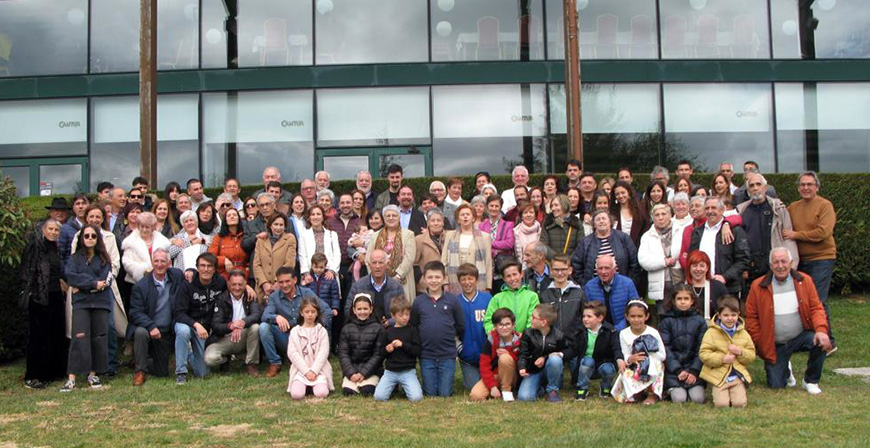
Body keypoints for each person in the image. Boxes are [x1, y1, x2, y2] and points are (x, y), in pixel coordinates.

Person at [744, 247, 831, 394]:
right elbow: (751, 318)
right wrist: (760, 342)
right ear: (770, 266)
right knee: (776, 385)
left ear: (791, 263)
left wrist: (821, 330)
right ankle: (786, 368)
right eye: (776, 262)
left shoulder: (805, 281)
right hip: (774, 344)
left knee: (820, 342)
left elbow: (816, 308)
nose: (780, 266)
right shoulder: (758, 286)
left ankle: (810, 381)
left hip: (799, 337)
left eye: (783, 261)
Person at [68, 205, 126, 377]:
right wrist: (91, 283)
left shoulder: (110, 237)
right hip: (83, 291)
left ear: (103, 218)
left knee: (107, 327)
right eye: (91, 216)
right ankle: (86, 369)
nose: (94, 219)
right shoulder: (79, 236)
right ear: (86, 218)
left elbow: (114, 263)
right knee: (83, 331)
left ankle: (109, 365)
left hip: (105, 289)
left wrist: (105, 282)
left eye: (98, 216)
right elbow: (75, 265)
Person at [783, 171, 838, 350]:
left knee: (818, 300)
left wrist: (796, 235)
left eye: (810, 184)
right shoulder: (793, 207)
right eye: (802, 185)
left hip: (822, 258)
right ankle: (809, 339)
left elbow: (823, 232)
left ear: (817, 187)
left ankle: (828, 341)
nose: (806, 188)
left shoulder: (825, 205)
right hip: (801, 260)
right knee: (802, 300)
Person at [60, 225, 114, 392]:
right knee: (79, 337)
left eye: (93, 236)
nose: (90, 238)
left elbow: (106, 281)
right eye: (86, 236)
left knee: (98, 338)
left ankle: (93, 375)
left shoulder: (104, 258)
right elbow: (71, 277)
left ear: (98, 239)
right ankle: (72, 377)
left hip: (100, 303)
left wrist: (83, 284)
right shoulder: (74, 258)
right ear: (81, 238)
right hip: (82, 303)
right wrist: (91, 284)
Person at [259, 267, 332, 377]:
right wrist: (276, 317)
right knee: (264, 327)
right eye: (281, 282)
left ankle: (308, 359)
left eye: (287, 281)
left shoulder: (306, 293)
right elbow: (265, 316)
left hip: (307, 338)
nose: (284, 285)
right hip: (287, 337)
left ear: (295, 280)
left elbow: (326, 311)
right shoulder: (275, 296)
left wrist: (316, 328)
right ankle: (275, 362)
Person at [21, 219, 68, 389]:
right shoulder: (34, 246)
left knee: (55, 334)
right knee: (38, 337)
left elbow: (58, 270)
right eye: (50, 229)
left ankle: (52, 372)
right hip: (39, 296)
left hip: (55, 294)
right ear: (43, 229)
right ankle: (33, 375)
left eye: (56, 230)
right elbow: (27, 271)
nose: (53, 232)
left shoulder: (56, 248)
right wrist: (31, 291)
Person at [736, 172, 800, 294]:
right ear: (748, 190)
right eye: (752, 185)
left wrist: (792, 265)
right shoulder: (741, 210)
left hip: (773, 263)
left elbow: (788, 237)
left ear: (765, 187)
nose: (755, 188)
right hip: (751, 266)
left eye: (758, 184)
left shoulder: (778, 209)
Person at [127, 249, 183, 386]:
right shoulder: (141, 286)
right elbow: (135, 312)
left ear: (169, 263)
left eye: (163, 261)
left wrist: (191, 272)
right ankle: (140, 371)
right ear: (152, 262)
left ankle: (140, 361)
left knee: (162, 372)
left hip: (165, 333)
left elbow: (189, 278)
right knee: (140, 332)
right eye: (156, 261)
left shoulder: (176, 276)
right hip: (148, 328)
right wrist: (151, 326)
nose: (159, 264)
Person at [412, 261, 465, 397]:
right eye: (430, 277)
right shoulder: (419, 301)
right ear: (424, 278)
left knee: (445, 393)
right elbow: (414, 325)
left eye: (437, 277)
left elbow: (460, 325)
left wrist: (449, 336)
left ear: (444, 278)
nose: (434, 281)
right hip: (427, 355)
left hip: (447, 354)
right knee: (430, 393)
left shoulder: (452, 300)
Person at [172, 253, 225, 383]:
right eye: (202, 266)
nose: (206, 269)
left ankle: (189, 354)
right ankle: (181, 372)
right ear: (197, 268)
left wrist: (246, 287)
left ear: (214, 269)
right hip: (188, 324)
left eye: (209, 266)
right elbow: (179, 313)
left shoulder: (220, 283)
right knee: (183, 331)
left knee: (203, 373)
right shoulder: (187, 285)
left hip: (205, 330)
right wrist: (196, 324)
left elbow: (234, 288)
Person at [699, 295, 755, 408]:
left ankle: (738, 390)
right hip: (719, 377)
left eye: (733, 315)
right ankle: (720, 393)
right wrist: (722, 359)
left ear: (738, 314)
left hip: (737, 376)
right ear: (719, 316)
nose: (730, 318)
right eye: (726, 315)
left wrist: (740, 352)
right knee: (721, 404)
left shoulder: (743, 333)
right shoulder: (711, 333)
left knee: (739, 404)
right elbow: (704, 354)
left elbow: (751, 355)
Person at [204, 269, 262, 377]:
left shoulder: (250, 296)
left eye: (240, 284)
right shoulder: (221, 299)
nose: (237, 287)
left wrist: (242, 323)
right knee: (210, 359)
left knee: (255, 328)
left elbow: (256, 315)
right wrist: (231, 326)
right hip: (225, 337)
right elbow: (216, 325)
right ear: (228, 284)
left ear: (245, 284)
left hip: (244, 335)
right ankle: (225, 360)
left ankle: (251, 364)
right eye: (234, 284)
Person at [689, 197, 750, 297]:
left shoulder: (735, 231)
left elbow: (743, 260)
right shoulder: (697, 232)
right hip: (703, 286)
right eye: (707, 208)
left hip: (728, 287)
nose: (710, 211)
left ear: (722, 210)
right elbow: (691, 258)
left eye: (714, 208)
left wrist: (724, 277)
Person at [658, 284, 706, 404]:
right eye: (679, 299)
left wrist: (694, 371)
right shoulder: (666, 321)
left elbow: (702, 348)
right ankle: (670, 389)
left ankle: (691, 387)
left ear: (692, 301)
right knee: (679, 399)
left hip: (693, 370)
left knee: (698, 399)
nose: (683, 302)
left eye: (686, 299)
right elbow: (665, 348)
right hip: (674, 372)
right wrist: (677, 370)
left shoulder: (700, 321)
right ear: (673, 301)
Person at [611, 300, 666, 404]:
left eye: (640, 316)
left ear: (646, 316)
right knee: (625, 372)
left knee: (652, 366)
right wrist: (630, 359)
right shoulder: (623, 334)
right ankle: (636, 393)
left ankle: (651, 394)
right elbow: (625, 353)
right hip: (634, 365)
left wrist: (648, 356)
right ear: (627, 317)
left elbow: (662, 355)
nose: (636, 320)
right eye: (632, 316)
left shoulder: (653, 332)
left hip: (652, 363)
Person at [517, 303, 574, 402]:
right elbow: (523, 353)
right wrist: (522, 367)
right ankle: (542, 389)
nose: (531, 319)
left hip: (551, 369)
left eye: (534, 317)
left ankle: (552, 390)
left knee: (555, 359)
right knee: (525, 397)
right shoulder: (528, 333)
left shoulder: (559, 336)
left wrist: (545, 358)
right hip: (533, 371)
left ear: (543, 322)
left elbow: (567, 351)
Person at [572, 209, 640, 286]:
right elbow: (576, 266)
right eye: (598, 219)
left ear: (610, 221)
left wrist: (628, 283)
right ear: (594, 224)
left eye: (604, 218)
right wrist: (586, 285)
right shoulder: (585, 242)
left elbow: (634, 263)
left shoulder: (623, 238)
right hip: (594, 289)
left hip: (621, 287)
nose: (601, 221)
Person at [373, 297, 424, 402]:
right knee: (379, 397)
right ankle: (393, 387)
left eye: (407, 314)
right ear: (393, 315)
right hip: (390, 372)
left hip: (408, 371)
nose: (405, 318)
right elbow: (381, 352)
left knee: (416, 398)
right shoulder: (387, 332)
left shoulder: (412, 330)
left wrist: (403, 345)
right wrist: (387, 349)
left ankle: (407, 387)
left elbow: (417, 350)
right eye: (401, 315)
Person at [638, 204, 683, 315]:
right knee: (664, 316)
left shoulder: (680, 230)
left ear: (670, 215)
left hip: (679, 279)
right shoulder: (647, 236)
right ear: (653, 217)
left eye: (664, 214)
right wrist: (663, 262)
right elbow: (643, 260)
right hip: (660, 284)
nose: (660, 217)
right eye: (657, 215)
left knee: (682, 314)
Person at [469, 308, 521, 402]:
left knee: (505, 358)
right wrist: (492, 386)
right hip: (495, 375)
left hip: (513, 377)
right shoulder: (490, 341)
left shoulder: (520, 341)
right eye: (500, 324)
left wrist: (509, 355)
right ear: (495, 326)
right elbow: (484, 366)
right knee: (475, 396)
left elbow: (523, 365)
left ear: (513, 325)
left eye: (507, 324)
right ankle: (496, 391)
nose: (504, 328)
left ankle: (507, 392)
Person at [287, 296, 334, 400]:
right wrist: (306, 371)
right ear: (301, 312)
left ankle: (314, 386)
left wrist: (314, 371)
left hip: (319, 370)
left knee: (321, 393)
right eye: (307, 311)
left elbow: (323, 352)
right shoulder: (295, 332)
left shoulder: (322, 331)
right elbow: (292, 353)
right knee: (297, 395)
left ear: (317, 313)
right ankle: (304, 386)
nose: (310, 315)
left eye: (313, 311)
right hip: (301, 371)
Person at [339, 293, 386, 396]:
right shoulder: (346, 329)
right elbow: (343, 354)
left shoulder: (379, 329)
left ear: (371, 309)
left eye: (365, 308)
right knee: (349, 392)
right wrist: (351, 373)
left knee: (367, 391)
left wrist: (363, 373)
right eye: (359, 309)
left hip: (371, 371)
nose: (362, 312)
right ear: (354, 310)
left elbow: (378, 355)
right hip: (352, 370)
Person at [573, 301, 620, 401]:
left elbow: (616, 348)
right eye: (584, 316)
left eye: (589, 316)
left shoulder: (611, 331)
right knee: (587, 361)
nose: (585, 319)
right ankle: (582, 388)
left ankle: (606, 387)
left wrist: (619, 359)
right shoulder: (579, 331)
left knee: (609, 369)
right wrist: (561, 354)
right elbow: (573, 349)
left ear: (600, 318)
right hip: (586, 363)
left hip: (603, 362)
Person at [367, 205, 417, 300]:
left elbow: (409, 258)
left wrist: (398, 276)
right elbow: (368, 258)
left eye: (394, 215)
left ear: (399, 217)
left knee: (401, 310)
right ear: (383, 218)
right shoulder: (375, 236)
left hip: (402, 280)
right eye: (388, 216)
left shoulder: (408, 234)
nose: (391, 218)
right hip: (379, 281)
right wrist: (375, 277)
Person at [456, 263, 492, 391]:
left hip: (487, 355)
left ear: (476, 279)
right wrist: (460, 348)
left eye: (470, 278)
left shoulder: (487, 299)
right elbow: (452, 329)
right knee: (473, 388)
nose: (467, 282)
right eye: (463, 279)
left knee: (489, 386)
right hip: (467, 357)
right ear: (459, 281)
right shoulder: (456, 302)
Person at [442, 204, 492, 294]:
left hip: (477, 280)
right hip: (455, 280)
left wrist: (488, 286)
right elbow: (444, 260)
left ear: (473, 218)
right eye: (462, 215)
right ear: (458, 219)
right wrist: (445, 282)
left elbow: (488, 263)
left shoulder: (485, 237)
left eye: (468, 214)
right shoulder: (449, 235)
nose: (465, 216)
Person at [345, 249, 404, 324]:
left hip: (390, 330)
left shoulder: (396, 287)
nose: (377, 266)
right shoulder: (358, 286)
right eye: (374, 263)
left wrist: (390, 322)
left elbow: (402, 311)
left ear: (387, 264)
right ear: (369, 265)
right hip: (364, 330)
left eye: (381, 262)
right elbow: (348, 311)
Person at [583, 254, 640, 330]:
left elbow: (635, 309)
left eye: (607, 268)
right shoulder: (589, 286)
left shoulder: (627, 284)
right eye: (600, 268)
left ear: (615, 269)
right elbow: (587, 312)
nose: (603, 271)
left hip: (624, 330)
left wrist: (617, 329)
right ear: (596, 270)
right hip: (598, 331)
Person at [538, 255, 585, 345]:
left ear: (570, 270)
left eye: (563, 269)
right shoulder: (544, 295)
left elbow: (584, 318)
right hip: (552, 344)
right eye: (556, 270)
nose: (560, 273)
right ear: (551, 271)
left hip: (575, 344)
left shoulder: (579, 294)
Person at [243, 193, 296, 269]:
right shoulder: (251, 224)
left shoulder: (286, 221)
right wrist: (256, 237)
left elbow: (293, 244)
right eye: (261, 205)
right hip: (258, 270)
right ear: (258, 208)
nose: (265, 208)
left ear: (274, 205)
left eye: (267, 204)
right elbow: (245, 245)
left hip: (281, 268)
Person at [483, 261, 539, 333]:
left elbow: (532, 320)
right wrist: (499, 337)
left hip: (525, 342)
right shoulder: (497, 299)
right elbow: (488, 322)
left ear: (521, 274)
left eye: (515, 274)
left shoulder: (532, 296)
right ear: (504, 279)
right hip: (502, 342)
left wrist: (523, 338)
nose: (512, 278)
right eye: (508, 276)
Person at [252, 213, 297, 301]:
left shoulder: (290, 239)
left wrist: (279, 282)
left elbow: (290, 263)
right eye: (276, 224)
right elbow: (256, 264)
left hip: (283, 286)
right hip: (263, 289)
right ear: (270, 225)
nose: (278, 228)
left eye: (281, 225)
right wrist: (264, 283)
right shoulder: (261, 240)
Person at [121, 212, 171, 285]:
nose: (144, 230)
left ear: (153, 228)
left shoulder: (163, 241)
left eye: (147, 227)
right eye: (142, 226)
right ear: (138, 226)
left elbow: (168, 261)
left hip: (160, 282)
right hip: (135, 283)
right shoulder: (130, 242)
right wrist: (143, 270)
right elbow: (127, 263)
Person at [297, 205, 340, 286]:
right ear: (309, 218)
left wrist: (332, 270)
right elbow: (302, 255)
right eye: (313, 214)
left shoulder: (332, 234)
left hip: (328, 273)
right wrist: (306, 273)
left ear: (323, 217)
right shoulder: (304, 235)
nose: (315, 217)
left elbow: (337, 254)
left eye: (318, 214)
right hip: (310, 274)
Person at [479, 195, 514, 290]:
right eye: (491, 206)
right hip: (486, 266)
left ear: (500, 208)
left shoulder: (508, 225)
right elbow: (480, 244)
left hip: (501, 266)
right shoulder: (481, 226)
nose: (494, 208)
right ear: (487, 207)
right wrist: (497, 244)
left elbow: (509, 243)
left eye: (496, 206)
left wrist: (490, 243)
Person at [685, 250, 729, 320]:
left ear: (707, 268)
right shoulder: (681, 288)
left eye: (702, 266)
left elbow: (728, 311)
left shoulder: (718, 287)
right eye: (694, 266)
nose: (698, 269)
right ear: (689, 268)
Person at [209, 207, 246, 281]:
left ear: (239, 218)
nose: (232, 216)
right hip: (224, 276)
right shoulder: (218, 238)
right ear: (225, 220)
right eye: (229, 215)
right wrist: (223, 260)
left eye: (234, 215)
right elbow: (210, 257)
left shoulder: (245, 236)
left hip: (244, 275)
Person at [414, 208, 446, 293]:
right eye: (432, 221)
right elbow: (414, 263)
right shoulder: (419, 240)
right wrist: (421, 279)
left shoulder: (450, 238)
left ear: (443, 222)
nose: (436, 223)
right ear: (428, 223)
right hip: (426, 286)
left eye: (438, 220)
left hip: (446, 284)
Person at [540, 194, 581, 259]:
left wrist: (569, 259)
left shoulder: (576, 223)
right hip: (552, 264)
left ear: (564, 205)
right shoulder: (547, 223)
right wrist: (556, 259)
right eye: (552, 206)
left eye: (556, 205)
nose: (553, 208)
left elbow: (580, 245)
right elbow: (544, 244)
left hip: (571, 264)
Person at [611, 181, 649, 248]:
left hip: (637, 248)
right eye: (617, 194)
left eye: (623, 193)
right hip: (618, 249)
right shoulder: (612, 212)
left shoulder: (640, 211)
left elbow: (645, 230)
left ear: (629, 193)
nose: (620, 196)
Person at [58, 194, 90, 270]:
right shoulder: (65, 229)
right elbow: (60, 255)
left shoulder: (96, 227)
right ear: (73, 207)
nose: (81, 206)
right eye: (77, 204)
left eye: (84, 203)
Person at [307, 252, 341, 320]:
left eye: (321, 267)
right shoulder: (308, 278)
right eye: (316, 267)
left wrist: (335, 308)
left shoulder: (330, 278)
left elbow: (335, 296)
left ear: (325, 266)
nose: (318, 270)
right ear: (312, 265)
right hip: (311, 310)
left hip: (326, 309)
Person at [513, 203, 541, 268]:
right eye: (525, 213)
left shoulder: (540, 231)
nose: (528, 215)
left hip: (538, 266)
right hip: (522, 267)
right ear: (521, 216)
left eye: (531, 212)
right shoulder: (516, 231)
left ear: (535, 215)